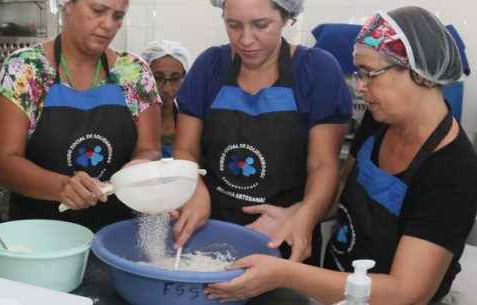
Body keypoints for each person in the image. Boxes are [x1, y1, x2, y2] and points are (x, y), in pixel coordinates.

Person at [205, 7, 477, 305]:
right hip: (337, 290)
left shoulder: (454, 169)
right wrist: (296, 215)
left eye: (370, 74)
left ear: (419, 74)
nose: (360, 87)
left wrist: (283, 273)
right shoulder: (379, 123)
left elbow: (406, 292)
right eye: (359, 74)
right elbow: (344, 190)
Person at [171, 0, 352, 263]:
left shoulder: (316, 70)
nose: (245, 39)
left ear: (286, 17)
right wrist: (194, 189)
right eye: (233, 25)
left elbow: (323, 164)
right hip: (209, 231)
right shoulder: (210, 67)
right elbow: (185, 149)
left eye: (260, 25)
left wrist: (305, 215)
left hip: (282, 235)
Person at [0, 0, 162, 232]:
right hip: (40, 236)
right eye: (98, 10)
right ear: (68, 5)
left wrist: (140, 164)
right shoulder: (26, 69)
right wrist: (62, 187)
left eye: (118, 16)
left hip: (115, 233)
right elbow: (4, 164)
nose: (108, 24)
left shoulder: (134, 72)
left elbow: (149, 148)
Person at [140, 40, 191, 158]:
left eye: (175, 78)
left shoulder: (190, 119)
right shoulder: (130, 120)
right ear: (143, 77)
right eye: (157, 78)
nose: (167, 88)